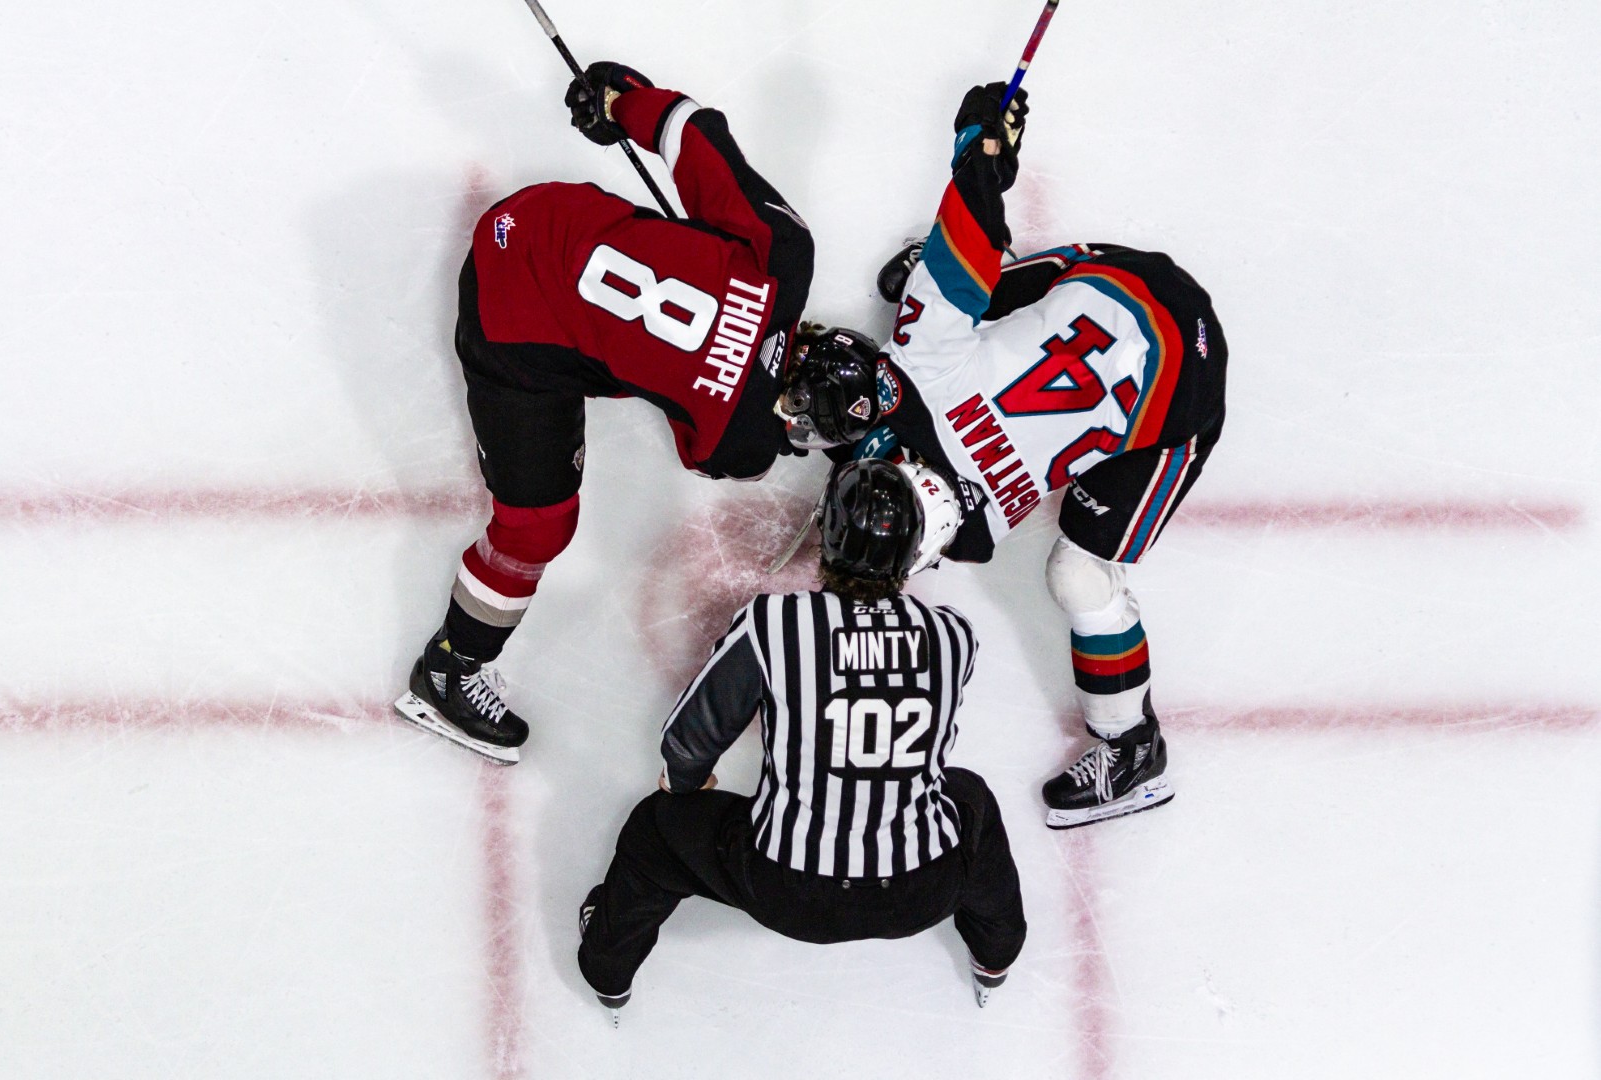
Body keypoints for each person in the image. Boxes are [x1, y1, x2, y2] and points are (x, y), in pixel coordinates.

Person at [393, 61, 880, 763]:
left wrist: (621, 100)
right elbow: (696, 437)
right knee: (537, 528)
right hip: (508, 325)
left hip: (530, 216)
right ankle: (449, 672)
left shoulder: (785, 257)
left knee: (647, 284)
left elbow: (697, 135)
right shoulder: (739, 445)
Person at [805, 83, 1229, 828]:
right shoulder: (923, 362)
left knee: (1079, 572)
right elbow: (968, 227)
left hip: (1178, 386)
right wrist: (983, 146)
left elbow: (907, 495)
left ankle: (1134, 748)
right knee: (951, 287)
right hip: (1136, 287)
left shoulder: (975, 533)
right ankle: (1125, 739)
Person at [576, 458, 1026, 1022]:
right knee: (970, 798)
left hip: (790, 890)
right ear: (915, 547)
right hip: (922, 889)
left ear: (828, 535)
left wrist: (685, 783)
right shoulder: (954, 634)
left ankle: (607, 972)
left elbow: (688, 745)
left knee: (652, 833)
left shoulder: (775, 622)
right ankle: (996, 955)